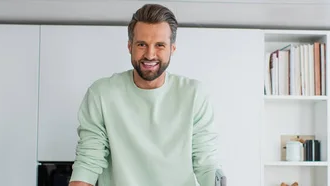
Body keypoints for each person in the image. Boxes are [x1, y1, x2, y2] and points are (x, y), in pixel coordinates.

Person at [68, 3, 220, 186]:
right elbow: (88, 162)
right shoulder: (101, 94)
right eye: (142, 44)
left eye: (160, 45)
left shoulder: (195, 94)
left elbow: (206, 164)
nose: (150, 54)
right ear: (129, 46)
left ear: (172, 49)